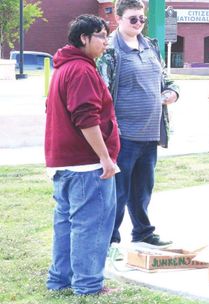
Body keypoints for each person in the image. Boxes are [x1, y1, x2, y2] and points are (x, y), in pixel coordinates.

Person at [45, 14, 119, 295]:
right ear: (83, 38)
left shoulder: (64, 68)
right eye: (100, 36)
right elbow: (86, 118)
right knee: (92, 225)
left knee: (66, 223)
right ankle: (88, 285)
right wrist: (105, 157)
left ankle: (59, 280)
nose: (105, 42)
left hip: (64, 164)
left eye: (106, 35)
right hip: (86, 165)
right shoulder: (81, 70)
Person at [97, 0, 179, 249]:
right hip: (124, 135)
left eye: (142, 19)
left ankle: (143, 232)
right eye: (133, 19)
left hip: (151, 133)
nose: (139, 23)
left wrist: (173, 92)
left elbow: (167, 80)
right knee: (119, 192)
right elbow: (102, 93)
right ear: (118, 19)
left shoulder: (150, 46)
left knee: (143, 190)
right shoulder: (110, 50)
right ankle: (110, 239)